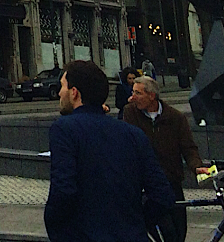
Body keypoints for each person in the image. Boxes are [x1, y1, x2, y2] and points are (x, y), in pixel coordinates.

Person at [44, 60, 174, 242]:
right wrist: (138, 222)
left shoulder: (65, 129)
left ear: (74, 93)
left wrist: (58, 232)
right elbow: (163, 195)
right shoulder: (134, 134)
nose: (59, 92)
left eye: (63, 86)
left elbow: (63, 192)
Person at [123, 74, 207, 242]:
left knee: (179, 230)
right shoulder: (130, 113)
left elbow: (188, 148)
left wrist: (197, 166)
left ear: (151, 96)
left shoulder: (175, 117)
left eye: (138, 93)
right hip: (147, 186)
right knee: (165, 231)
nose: (132, 97)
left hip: (171, 181)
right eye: (133, 92)